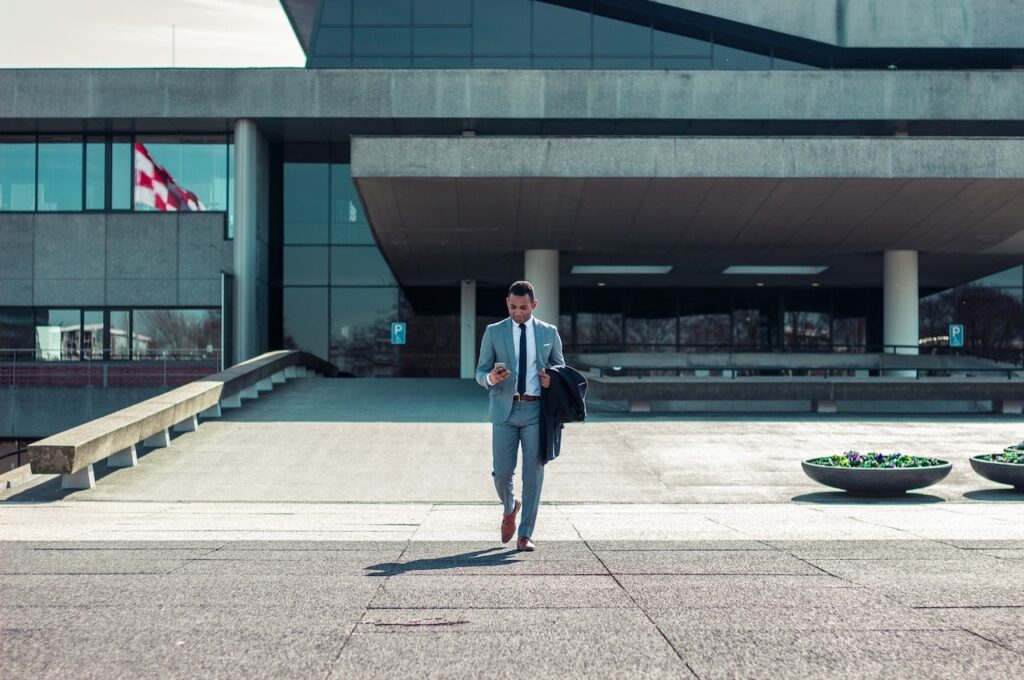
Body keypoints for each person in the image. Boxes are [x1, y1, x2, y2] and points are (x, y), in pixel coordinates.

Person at [475, 280, 565, 552]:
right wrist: (490, 377)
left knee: (533, 475)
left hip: (537, 410)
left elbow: (561, 367)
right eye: (513, 307)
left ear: (534, 305)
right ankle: (510, 506)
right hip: (504, 409)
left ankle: (525, 534)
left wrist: (553, 379)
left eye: (524, 307)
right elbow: (480, 372)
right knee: (502, 473)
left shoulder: (549, 332)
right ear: (507, 303)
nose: (518, 312)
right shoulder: (494, 332)